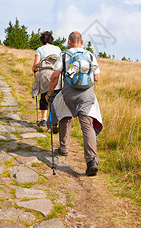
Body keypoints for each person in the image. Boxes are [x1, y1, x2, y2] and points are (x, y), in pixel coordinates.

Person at [45, 31, 102, 176]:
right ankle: (91, 161)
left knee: (65, 116)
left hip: (69, 92)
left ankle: (64, 148)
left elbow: (55, 76)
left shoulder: (64, 55)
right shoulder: (89, 55)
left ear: (69, 42)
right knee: (87, 125)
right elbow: (97, 78)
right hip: (87, 93)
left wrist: (50, 93)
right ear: (81, 42)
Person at [32, 31, 61, 128]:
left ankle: (44, 119)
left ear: (42, 40)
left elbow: (36, 64)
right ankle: (54, 120)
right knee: (55, 97)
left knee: (44, 96)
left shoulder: (40, 49)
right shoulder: (58, 49)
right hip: (56, 74)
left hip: (44, 73)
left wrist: (34, 69)